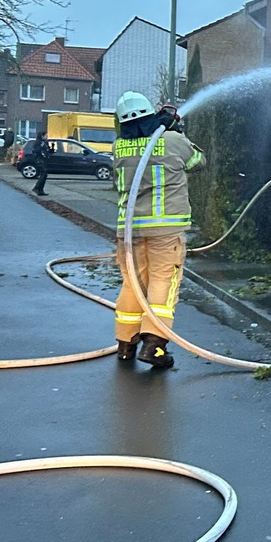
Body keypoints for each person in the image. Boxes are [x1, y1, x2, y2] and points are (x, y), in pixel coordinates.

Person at [112, 91, 206, 368]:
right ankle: (154, 345)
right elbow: (198, 162)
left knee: (133, 284)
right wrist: (175, 130)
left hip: (129, 231)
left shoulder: (118, 146)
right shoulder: (173, 140)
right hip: (165, 229)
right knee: (163, 283)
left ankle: (125, 344)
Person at [30, 132, 51, 196]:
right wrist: (41, 152)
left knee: (44, 174)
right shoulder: (38, 142)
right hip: (39, 160)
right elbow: (35, 151)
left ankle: (40, 190)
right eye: (45, 136)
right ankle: (36, 188)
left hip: (43, 160)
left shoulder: (44, 142)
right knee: (44, 173)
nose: (47, 137)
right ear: (42, 136)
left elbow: (46, 150)